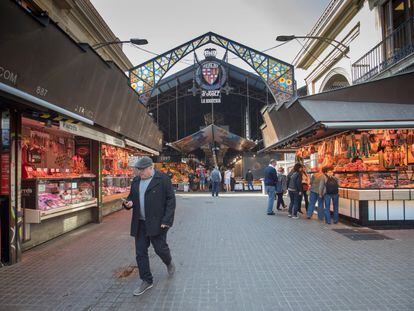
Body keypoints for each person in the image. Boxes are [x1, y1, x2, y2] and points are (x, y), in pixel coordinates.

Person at [123, 156, 176, 296]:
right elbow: (131, 197)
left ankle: (169, 262)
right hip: (140, 223)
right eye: (138, 170)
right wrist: (128, 203)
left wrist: (167, 220)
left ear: (151, 168)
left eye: (142, 170)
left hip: (158, 222)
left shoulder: (163, 179)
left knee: (160, 249)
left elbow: (171, 200)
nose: (140, 173)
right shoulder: (136, 180)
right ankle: (146, 280)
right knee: (140, 253)